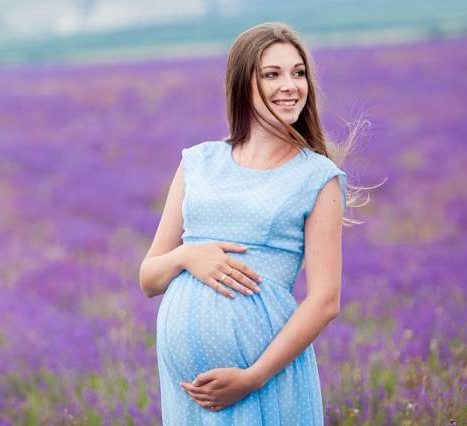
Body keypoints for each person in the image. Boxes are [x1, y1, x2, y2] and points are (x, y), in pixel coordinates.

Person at [139, 21, 367, 425]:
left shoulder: (317, 177)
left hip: (263, 381)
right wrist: (188, 256)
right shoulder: (198, 162)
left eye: (298, 73)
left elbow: (325, 301)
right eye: (272, 74)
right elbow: (149, 278)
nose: (290, 85)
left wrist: (252, 377)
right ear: (243, 84)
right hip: (189, 397)